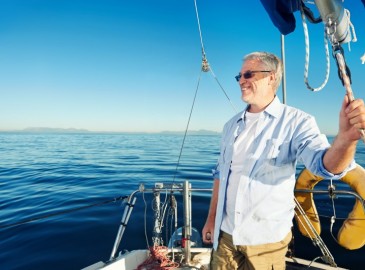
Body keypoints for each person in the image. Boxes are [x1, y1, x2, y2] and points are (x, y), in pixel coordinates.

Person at [202, 51, 365, 269]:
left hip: (266, 243)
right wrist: (211, 218)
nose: (241, 81)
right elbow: (220, 174)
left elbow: (323, 165)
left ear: (271, 77)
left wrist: (345, 139)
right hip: (226, 238)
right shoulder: (231, 126)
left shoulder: (298, 122)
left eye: (248, 74)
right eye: (239, 76)